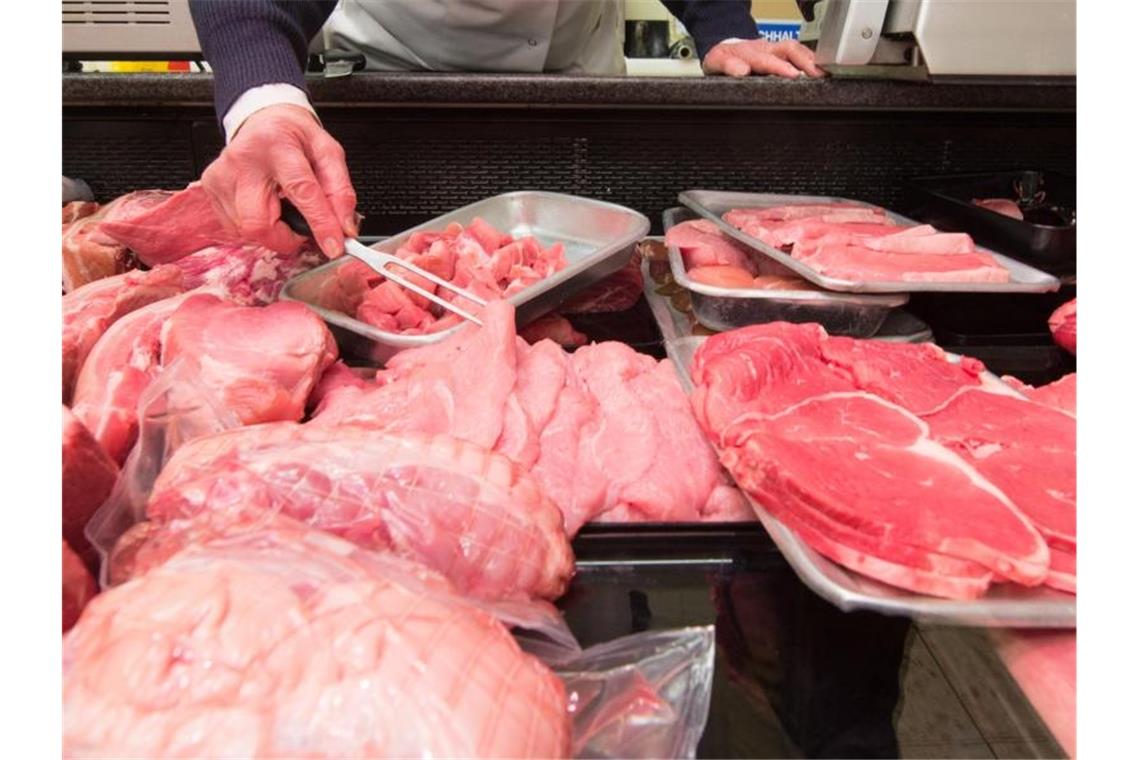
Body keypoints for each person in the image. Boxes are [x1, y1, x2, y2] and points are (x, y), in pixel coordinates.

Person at [189, 1, 824, 258]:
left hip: (576, 83)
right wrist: (264, 95)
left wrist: (722, 25)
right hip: (401, 78)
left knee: (596, 266)